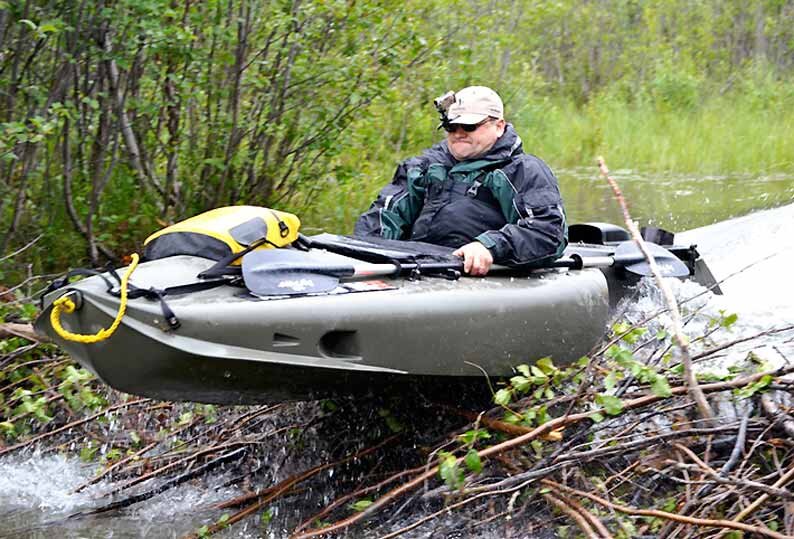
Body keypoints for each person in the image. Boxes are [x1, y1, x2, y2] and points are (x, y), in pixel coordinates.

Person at [354, 85, 567, 275]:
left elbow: (548, 231)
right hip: (417, 270)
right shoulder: (423, 168)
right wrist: (368, 256)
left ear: (499, 126)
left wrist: (489, 246)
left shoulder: (522, 170)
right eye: (451, 127)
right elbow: (384, 216)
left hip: (474, 277)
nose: (459, 133)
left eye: (469, 126)